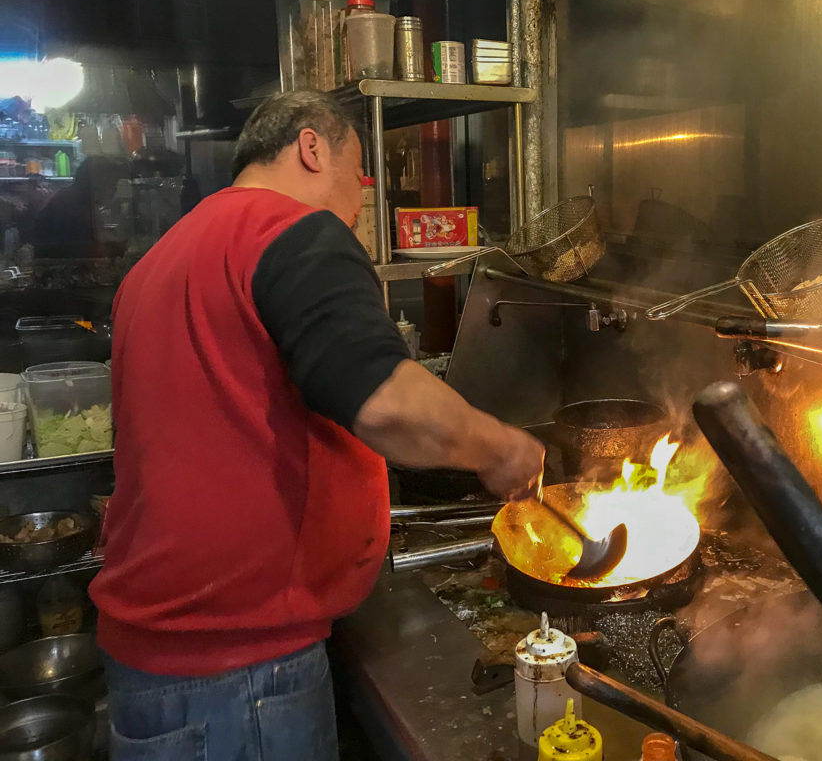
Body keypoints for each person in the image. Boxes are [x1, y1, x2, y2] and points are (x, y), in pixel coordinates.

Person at [89, 91, 545, 761]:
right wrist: (502, 448)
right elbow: (385, 401)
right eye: (358, 176)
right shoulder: (285, 229)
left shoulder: (158, 262)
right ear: (310, 148)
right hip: (240, 673)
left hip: (154, 664)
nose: (359, 204)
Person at [31, 155, 128, 259]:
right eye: (113, 184)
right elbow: (87, 251)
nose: (115, 190)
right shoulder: (72, 206)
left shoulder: (74, 199)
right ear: (98, 184)